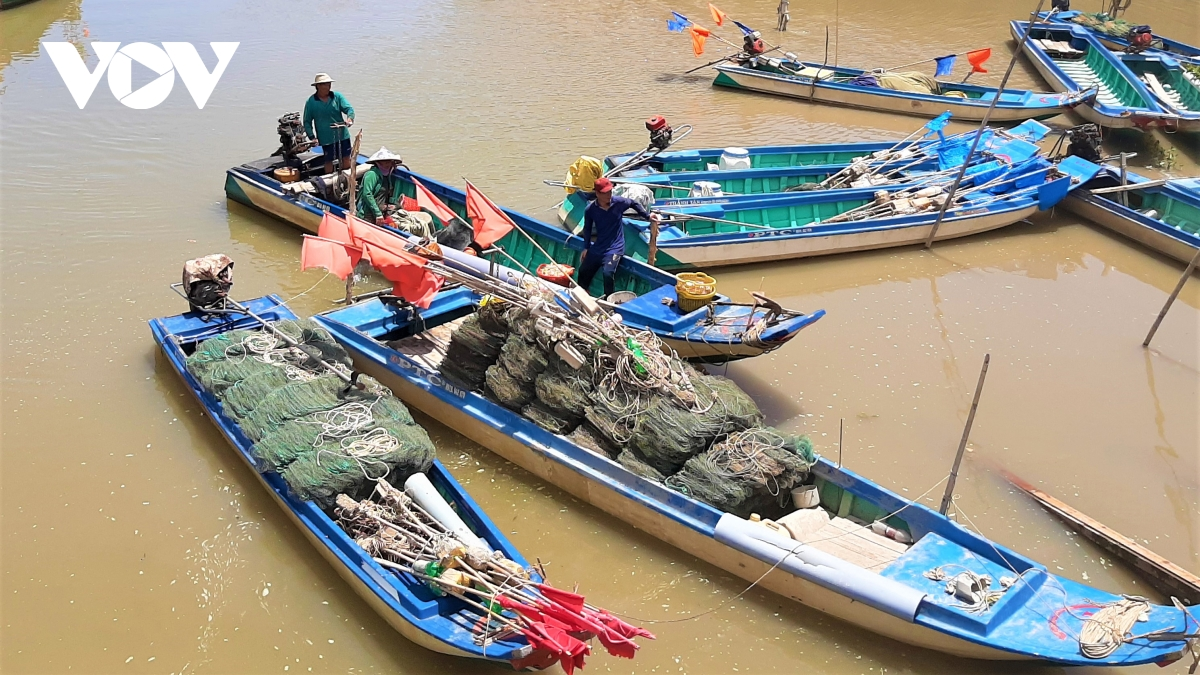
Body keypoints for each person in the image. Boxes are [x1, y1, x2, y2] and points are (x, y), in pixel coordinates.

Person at [576, 177, 659, 297]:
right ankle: (582, 296)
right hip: (599, 246)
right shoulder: (590, 210)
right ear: (598, 193)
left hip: (616, 247)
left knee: (607, 273)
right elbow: (587, 228)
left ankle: (609, 300)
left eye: (610, 191)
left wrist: (647, 216)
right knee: (583, 270)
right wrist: (586, 247)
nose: (609, 195)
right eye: (605, 193)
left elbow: (633, 203)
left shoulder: (618, 203)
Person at [303, 73, 355, 174]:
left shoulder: (337, 97)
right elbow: (307, 121)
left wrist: (349, 119)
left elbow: (349, 109)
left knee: (346, 158)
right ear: (318, 86)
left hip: (342, 134)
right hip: (325, 138)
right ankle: (330, 185)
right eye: (325, 84)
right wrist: (312, 137)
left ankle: (347, 181)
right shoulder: (311, 102)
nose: (328, 87)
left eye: (329, 84)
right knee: (328, 161)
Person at [357, 147, 404, 224]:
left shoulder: (387, 175)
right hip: (367, 214)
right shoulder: (372, 174)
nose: (388, 164)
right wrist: (378, 213)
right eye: (385, 162)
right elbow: (367, 194)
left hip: (381, 210)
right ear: (378, 162)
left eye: (389, 162)